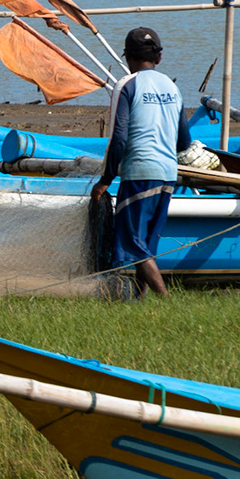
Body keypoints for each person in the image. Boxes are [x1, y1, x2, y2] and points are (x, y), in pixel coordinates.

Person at [91, 27, 191, 296]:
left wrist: (105, 180)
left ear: (127, 58)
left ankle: (165, 299)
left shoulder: (126, 85)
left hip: (139, 173)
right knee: (146, 243)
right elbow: (183, 141)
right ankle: (139, 298)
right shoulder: (173, 87)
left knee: (133, 243)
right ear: (158, 58)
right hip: (168, 174)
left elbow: (118, 139)